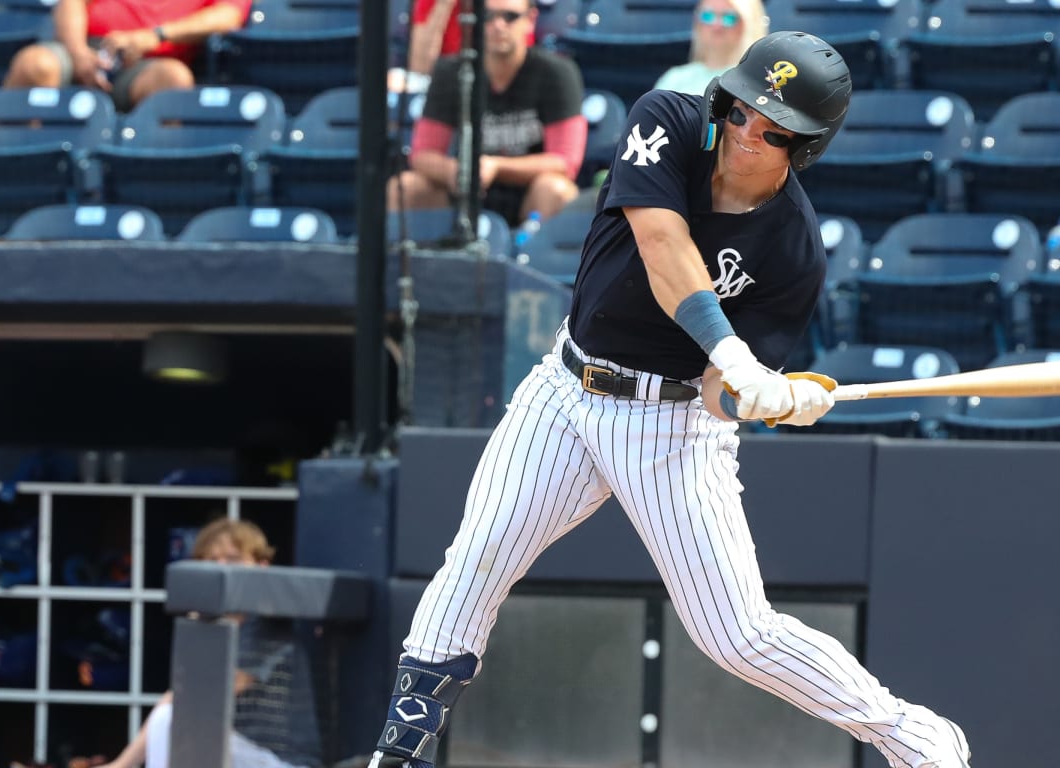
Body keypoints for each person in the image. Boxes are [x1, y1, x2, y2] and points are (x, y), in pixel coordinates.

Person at [368, 32, 973, 768]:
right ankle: (396, 756)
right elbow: (663, 247)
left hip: (671, 425)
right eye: (744, 108)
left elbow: (721, 398)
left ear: (805, 145)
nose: (749, 132)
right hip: (565, 387)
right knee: (477, 560)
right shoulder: (670, 121)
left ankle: (909, 733)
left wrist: (768, 397)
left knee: (737, 636)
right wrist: (733, 353)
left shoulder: (794, 249)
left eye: (775, 128)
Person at [94, 518, 319, 768]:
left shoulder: (269, 622)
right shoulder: (209, 623)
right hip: (234, 755)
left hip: (285, 762)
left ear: (261, 566)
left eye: (233, 559)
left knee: (170, 719)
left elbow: (203, 694)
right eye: (212, 561)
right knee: (168, 719)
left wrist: (121, 765)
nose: (221, 569)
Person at [389, 0, 586, 226]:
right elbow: (422, 154)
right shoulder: (450, 71)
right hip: (464, 190)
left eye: (510, 17)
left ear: (530, 20)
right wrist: (455, 170)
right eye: (488, 16)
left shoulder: (557, 72)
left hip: (528, 193)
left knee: (557, 189)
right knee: (404, 187)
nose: (498, 25)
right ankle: (412, 261)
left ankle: (536, 257)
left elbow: (565, 162)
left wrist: (496, 166)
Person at [3, 0, 253, 112]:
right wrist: (79, 53)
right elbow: (72, 2)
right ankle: (12, 163)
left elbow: (227, 16)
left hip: (148, 60)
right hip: (86, 46)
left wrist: (156, 36)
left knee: (173, 80)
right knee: (35, 64)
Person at [654, 0, 767, 95]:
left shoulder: (761, 82)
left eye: (729, 17)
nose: (716, 26)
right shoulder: (674, 79)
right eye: (708, 16)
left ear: (749, 24)